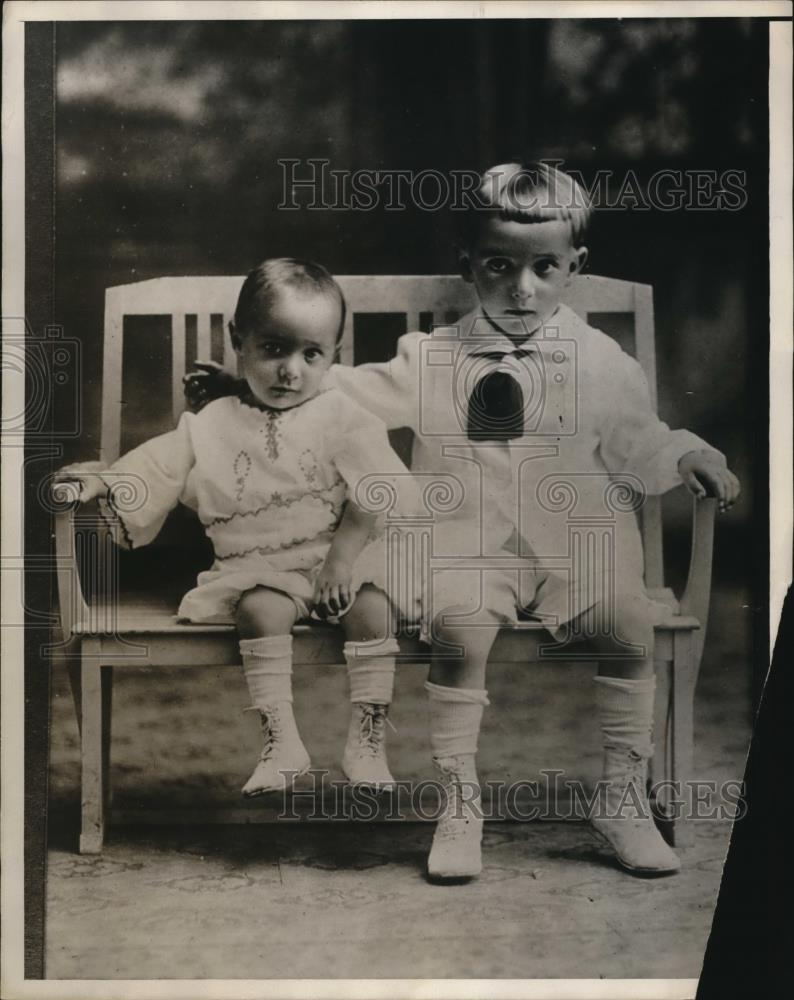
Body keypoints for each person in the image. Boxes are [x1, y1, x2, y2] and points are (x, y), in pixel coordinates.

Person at [185, 162, 741, 881]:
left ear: (576, 266)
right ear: (468, 264)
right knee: (458, 626)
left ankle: (621, 796)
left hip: (575, 543)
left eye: (544, 268)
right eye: (500, 267)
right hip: (463, 544)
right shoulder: (431, 358)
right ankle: (459, 802)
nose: (522, 288)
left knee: (627, 621)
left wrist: (691, 453)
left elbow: (642, 436)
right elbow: (336, 390)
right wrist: (244, 384)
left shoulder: (602, 361)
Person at [56, 258, 423, 800]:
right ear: (239, 340)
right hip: (260, 568)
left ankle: (367, 740)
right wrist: (106, 482)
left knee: (373, 608)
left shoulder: (342, 413)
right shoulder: (216, 420)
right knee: (259, 610)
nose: (290, 371)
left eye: (310, 354)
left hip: (336, 558)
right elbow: (162, 461)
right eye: (273, 349)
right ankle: (280, 740)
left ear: (334, 357)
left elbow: (375, 488)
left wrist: (341, 564)